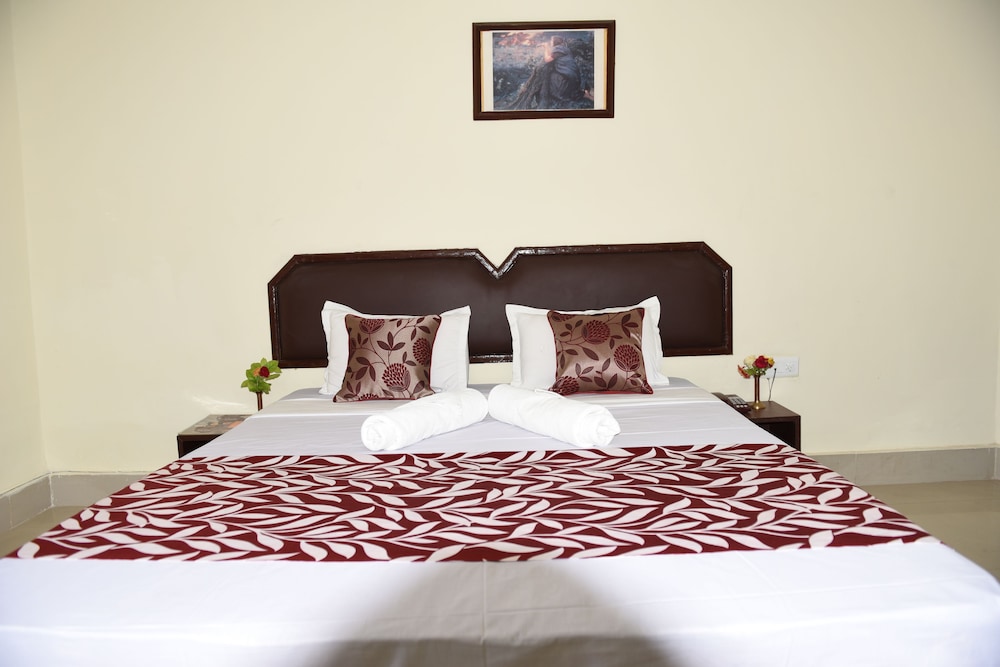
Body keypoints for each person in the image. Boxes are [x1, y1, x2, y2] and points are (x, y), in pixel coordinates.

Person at [508, 35, 591, 110]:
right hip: (572, 77)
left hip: (567, 78)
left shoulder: (559, 49)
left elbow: (547, 59)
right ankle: (584, 94)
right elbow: (551, 56)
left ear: (554, 42)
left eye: (551, 42)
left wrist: (545, 47)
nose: (551, 43)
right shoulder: (565, 49)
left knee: (551, 79)